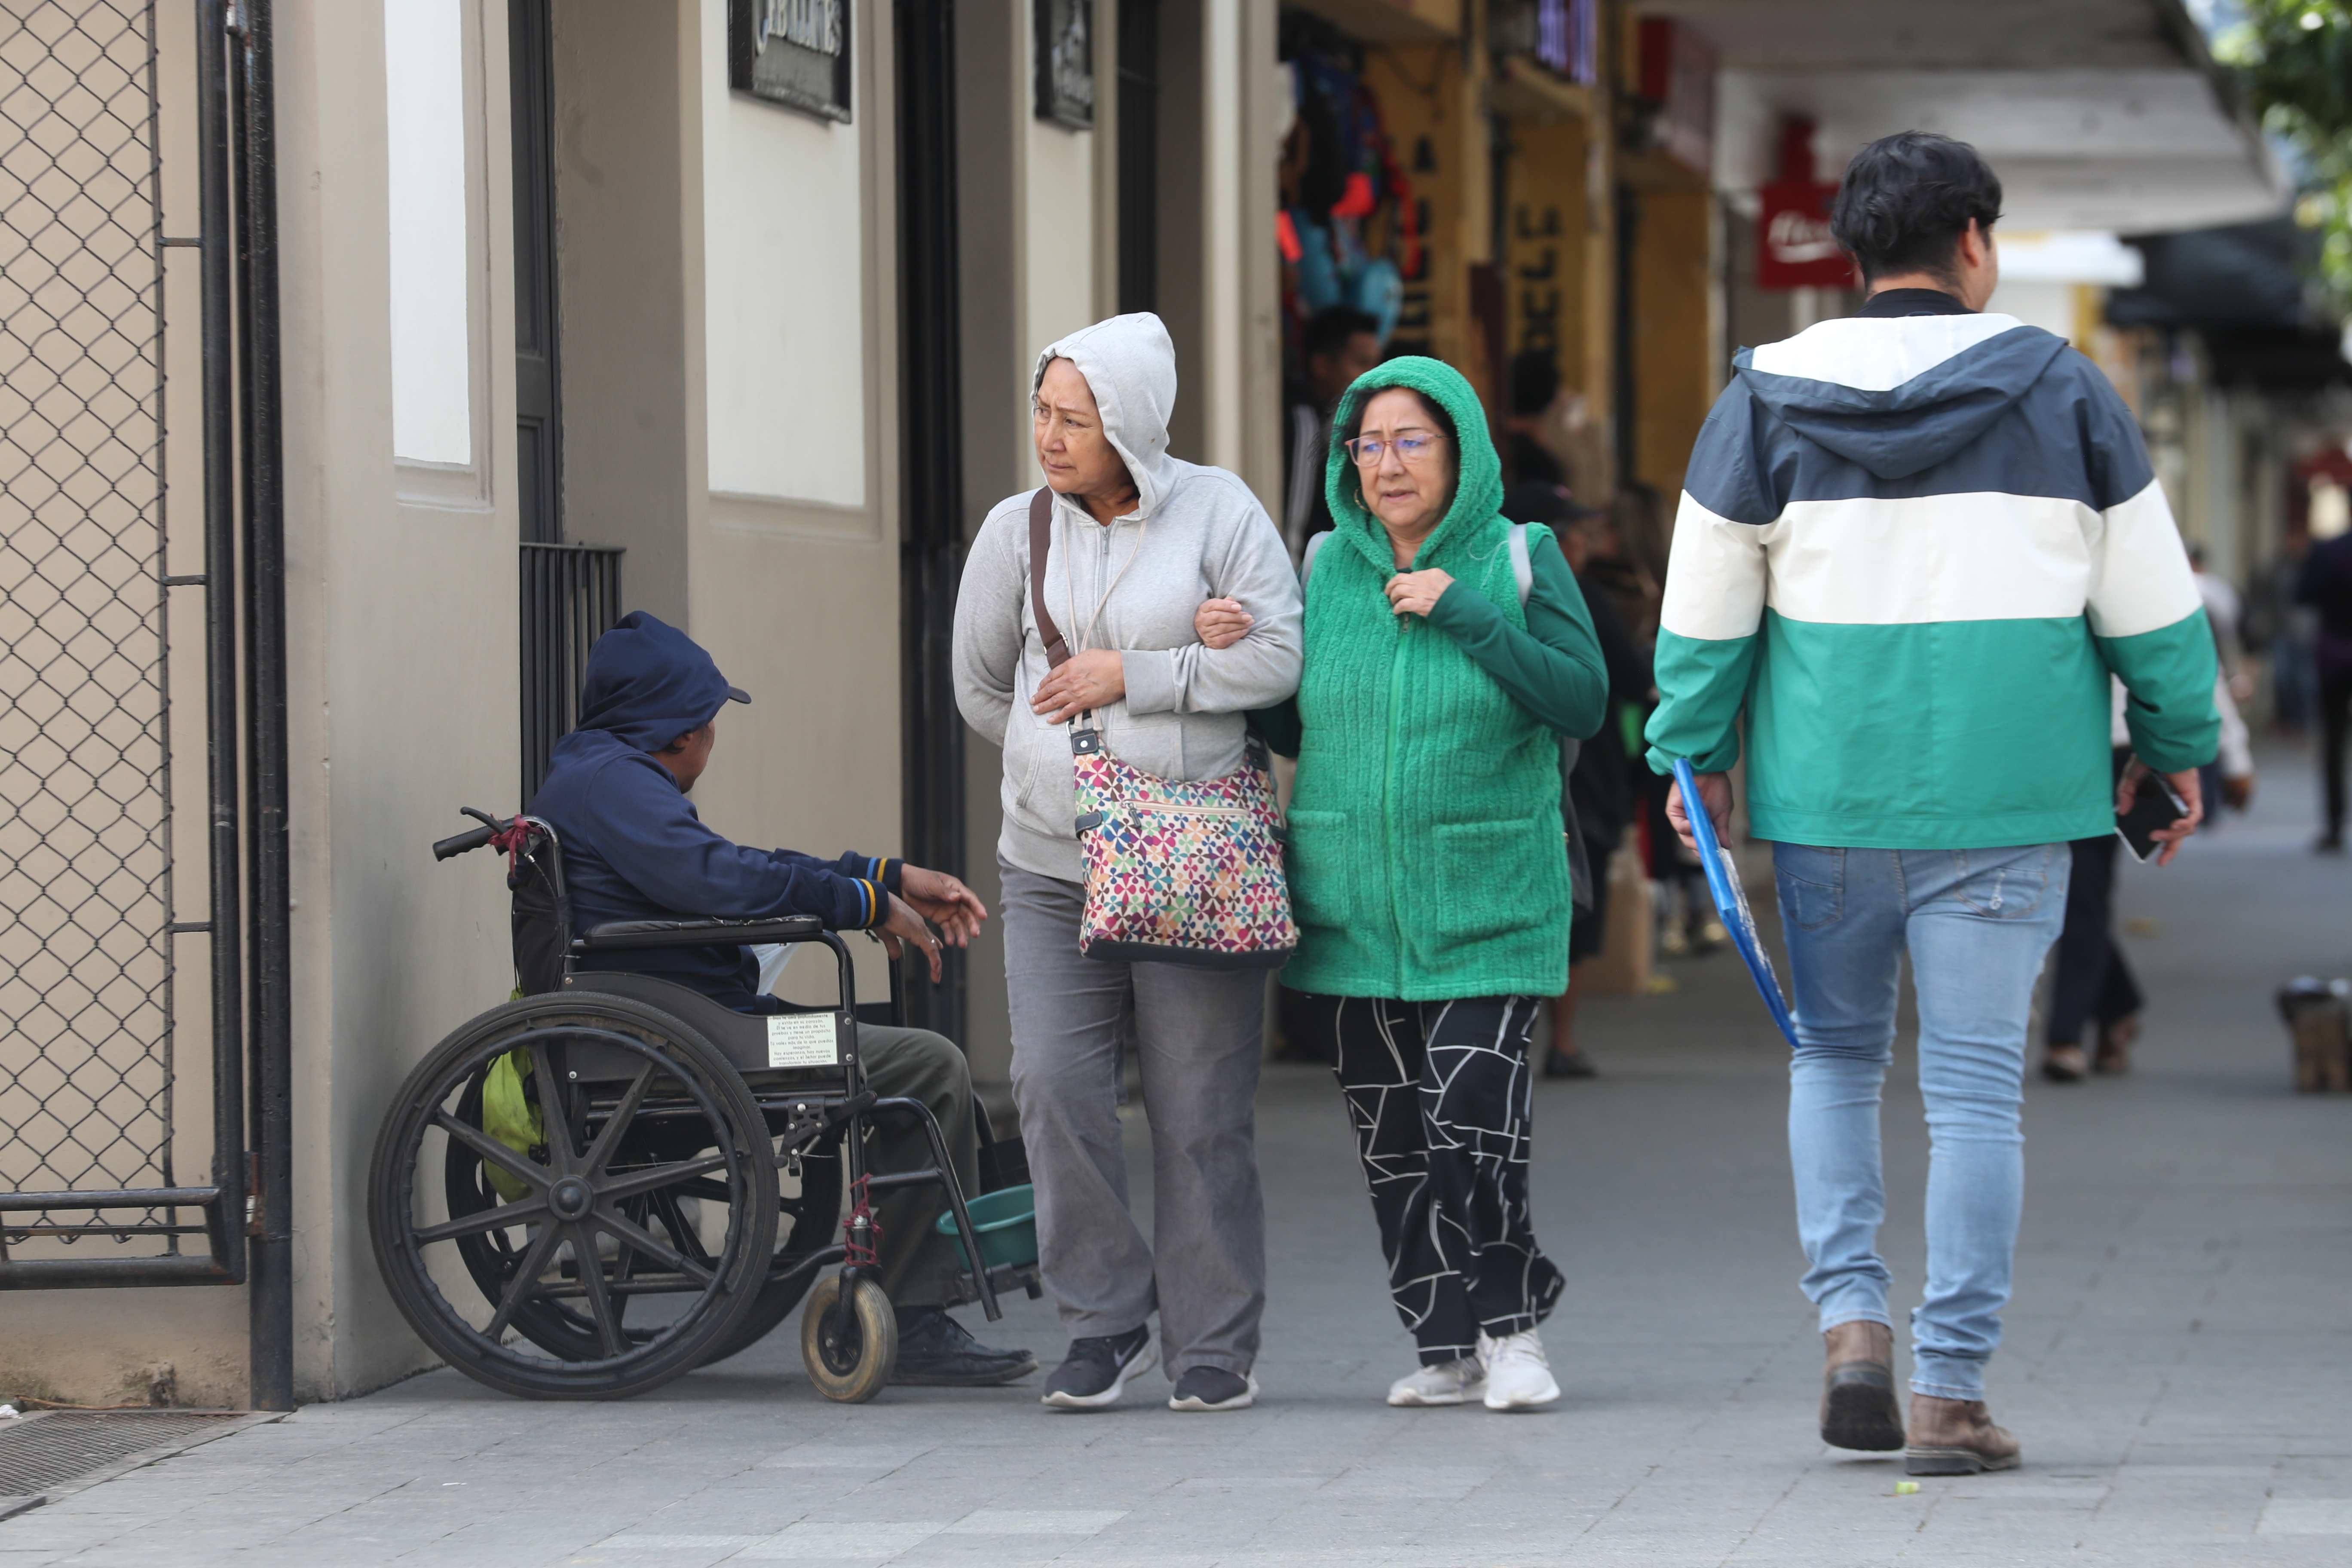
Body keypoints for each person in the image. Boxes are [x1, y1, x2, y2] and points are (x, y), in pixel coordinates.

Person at [1645, 132, 2218, 1476]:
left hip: (1830, 800)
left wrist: (1696, 756)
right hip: (2010, 802)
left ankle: (1852, 1328)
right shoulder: (2065, 392)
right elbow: (2155, 608)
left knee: (1836, 1060)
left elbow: (1704, 615)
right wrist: (2172, 748)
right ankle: (1950, 1392)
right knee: (1974, 1096)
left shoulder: (1761, 402)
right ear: (1973, 243)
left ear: (1853, 252)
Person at [1200, 357, 1608, 1412]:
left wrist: (1465, 611)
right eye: (1366, 444)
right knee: (1393, 1141)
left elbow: (1580, 701)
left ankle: (1514, 1334)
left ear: (1460, 447)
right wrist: (1244, 661)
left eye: (1408, 441)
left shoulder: (1521, 556)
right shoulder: (1325, 562)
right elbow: (1301, 724)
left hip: (1487, 898)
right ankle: (1444, 1343)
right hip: (1353, 904)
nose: (1385, 464)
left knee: (1473, 1111)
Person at [527, 610, 1035, 1387]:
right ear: (677, 731)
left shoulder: (598, 772)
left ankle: (927, 1277)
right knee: (927, 1065)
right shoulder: (616, 783)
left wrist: (879, 876)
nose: (711, 740)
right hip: (703, 1037)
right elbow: (721, 879)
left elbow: (727, 865)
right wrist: (860, 901)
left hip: (685, 1022)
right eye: (707, 724)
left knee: (898, 1054)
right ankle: (917, 1306)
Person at [952, 312, 1303, 1414]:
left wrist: (1135, 681)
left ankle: (1210, 1343)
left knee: (1200, 1108)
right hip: (1051, 862)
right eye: (1042, 413)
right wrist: (1047, 753)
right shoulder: (1015, 530)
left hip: (1193, 854)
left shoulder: (1221, 510)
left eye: (1075, 418)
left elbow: (1279, 658)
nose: (1049, 437)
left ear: (1132, 423)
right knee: (1052, 1087)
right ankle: (1099, 1323)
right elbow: (978, 683)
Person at [1500, 481, 1653, 1079]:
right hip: (1586, 777)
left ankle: (1520, 1037)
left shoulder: (1482, 587)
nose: (1584, 545)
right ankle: (1559, 1043)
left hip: (1535, 771)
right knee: (1573, 913)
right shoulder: (1582, 597)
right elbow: (1627, 675)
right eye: (1573, 534)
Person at [1282, 306, 1384, 566]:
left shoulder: (1357, 422)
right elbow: (1295, 520)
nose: (1375, 376)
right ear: (1322, 366)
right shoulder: (1304, 419)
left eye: (1376, 363)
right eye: (1362, 363)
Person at [2295, 523, 2352, 850]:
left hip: (2334, 654)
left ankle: (2334, 824)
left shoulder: (2329, 552)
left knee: (2333, 743)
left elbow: (2303, 594)